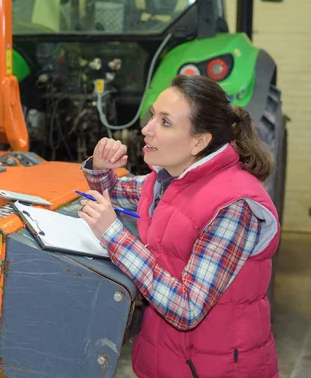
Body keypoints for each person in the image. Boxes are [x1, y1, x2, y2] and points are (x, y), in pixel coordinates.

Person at [79, 74, 280, 378]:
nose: (146, 130)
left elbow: (187, 308)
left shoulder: (234, 206)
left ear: (200, 141)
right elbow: (118, 192)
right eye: (152, 117)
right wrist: (99, 167)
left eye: (165, 122)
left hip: (217, 368)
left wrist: (114, 236)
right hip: (169, 360)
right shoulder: (173, 179)